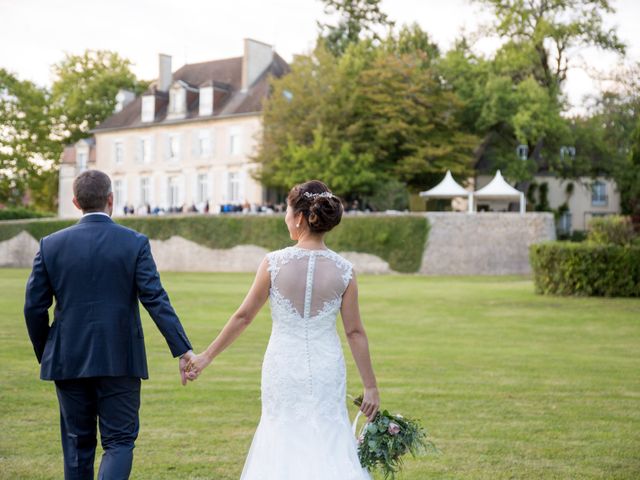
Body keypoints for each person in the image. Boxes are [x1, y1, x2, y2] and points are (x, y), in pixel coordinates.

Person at [186, 179, 379, 479]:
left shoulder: (273, 263)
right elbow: (355, 332)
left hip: (283, 365)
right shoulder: (345, 270)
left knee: (281, 432)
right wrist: (370, 387)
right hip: (327, 366)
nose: (285, 218)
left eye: (287, 212)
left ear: (301, 217)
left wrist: (205, 357)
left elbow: (243, 317)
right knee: (328, 433)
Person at [24, 170, 195, 480]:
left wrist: (48, 350)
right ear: (111, 200)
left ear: (75, 202)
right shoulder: (134, 242)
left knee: (78, 444)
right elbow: (155, 298)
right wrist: (182, 349)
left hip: (68, 358)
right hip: (121, 358)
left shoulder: (51, 245)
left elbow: (34, 306)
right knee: (119, 442)